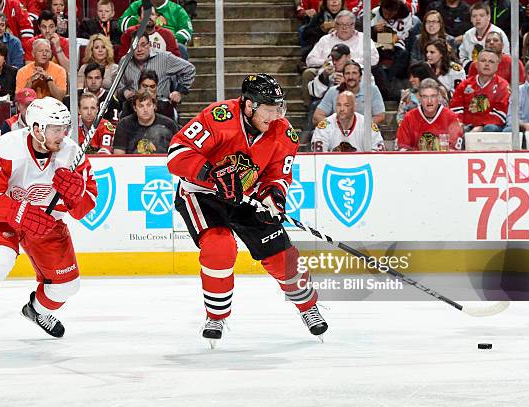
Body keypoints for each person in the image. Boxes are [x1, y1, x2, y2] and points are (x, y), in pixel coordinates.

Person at [167, 73, 328, 345]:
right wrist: (211, 174)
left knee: (281, 256)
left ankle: (308, 307)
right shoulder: (218, 118)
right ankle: (216, 316)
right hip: (203, 193)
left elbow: (278, 175)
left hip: (247, 196)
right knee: (219, 247)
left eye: (279, 107)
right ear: (250, 105)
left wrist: (272, 199)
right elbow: (177, 154)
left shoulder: (283, 132)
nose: (275, 115)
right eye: (269, 108)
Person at [0, 97, 97, 350]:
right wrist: (22, 214)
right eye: (56, 129)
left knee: (68, 286)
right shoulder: (8, 147)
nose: (63, 135)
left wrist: (75, 195)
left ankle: (36, 310)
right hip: (2, 217)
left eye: (65, 128)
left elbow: (85, 208)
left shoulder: (72, 153)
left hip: (47, 223)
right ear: (37, 129)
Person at [118, 32, 195, 105]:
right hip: (133, 106)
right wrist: (124, 92)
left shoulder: (164, 58)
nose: (139, 49)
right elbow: (119, 85)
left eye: (143, 45)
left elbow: (190, 69)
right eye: (135, 46)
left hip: (161, 106)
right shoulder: (124, 61)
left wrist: (179, 91)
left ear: (149, 45)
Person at [450, 48, 510, 133]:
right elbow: (456, 108)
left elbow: (500, 114)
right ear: (476, 64)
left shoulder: (503, 86)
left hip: (489, 127)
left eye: (491, 62)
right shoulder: (464, 85)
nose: (487, 64)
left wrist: (480, 126)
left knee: (490, 128)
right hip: (466, 126)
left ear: (497, 66)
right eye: (483, 61)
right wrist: (460, 124)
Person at [397, 78, 464, 151]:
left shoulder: (450, 117)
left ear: (438, 97)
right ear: (420, 98)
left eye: (433, 96)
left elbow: (455, 150)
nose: (429, 101)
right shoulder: (409, 118)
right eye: (425, 96)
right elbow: (402, 148)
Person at [313, 61, 386, 125]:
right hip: (337, 133)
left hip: (364, 132)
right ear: (344, 77)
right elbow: (317, 116)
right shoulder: (333, 91)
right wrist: (334, 126)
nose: (351, 77)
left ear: (360, 77)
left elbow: (380, 116)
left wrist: (359, 127)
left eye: (354, 73)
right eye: (347, 73)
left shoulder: (372, 90)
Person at [311, 91, 385, 152]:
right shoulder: (325, 126)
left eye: (346, 105)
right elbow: (318, 156)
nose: (342, 109)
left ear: (354, 106)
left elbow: (378, 155)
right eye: (339, 105)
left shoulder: (367, 125)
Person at [119, 0, 193, 60]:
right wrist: (142, 19)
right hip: (139, 40)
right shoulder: (137, 5)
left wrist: (173, 39)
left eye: (152, 14)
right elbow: (122, 24)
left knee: (181, 48)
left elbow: (186, 30)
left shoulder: (177, 9)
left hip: (168, 43)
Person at [113, 90, 178, 154]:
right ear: (135, 108)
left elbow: (178, 152)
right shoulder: (124, 125)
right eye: (141, 106)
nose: (145, 109)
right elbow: (118, 155)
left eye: (148, 105)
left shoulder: (169, 125)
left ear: (154, 106)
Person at [458, 2, 509, 70]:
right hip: (472, 71)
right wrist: (471, 65)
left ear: (488, 17)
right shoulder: (468, 34)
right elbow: (462, 57)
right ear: (471, 19)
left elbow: (505, 58)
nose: (478, 19)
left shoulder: (499, 34)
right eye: (474, 16)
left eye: (481, 15)